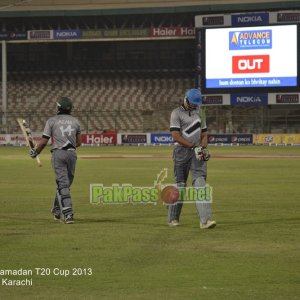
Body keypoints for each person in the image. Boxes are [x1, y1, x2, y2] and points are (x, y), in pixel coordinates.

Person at [168, 88, 216, 229]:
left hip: (197, 152)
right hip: (181, 153)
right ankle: (173, 218)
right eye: (193, 103)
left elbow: (204, 135)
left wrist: (203, 148)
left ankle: (205, 220)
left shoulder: (201, 112)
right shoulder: (176, 113)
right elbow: (176, 136)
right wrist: (193, 147)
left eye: (196, 103)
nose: (195, 106)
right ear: (186, 99)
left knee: (200, 183)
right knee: (180, 186)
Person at [29, 97, 81, 224]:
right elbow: (79, 142)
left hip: (58, 154)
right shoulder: (75, 121)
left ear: (58, 107)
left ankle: (67, 214)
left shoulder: (52, 121)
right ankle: (58, 210)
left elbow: (44, 141)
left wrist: (35, 152)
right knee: (66, 184)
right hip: (72, 155)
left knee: (62, 184)